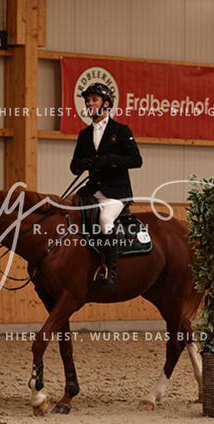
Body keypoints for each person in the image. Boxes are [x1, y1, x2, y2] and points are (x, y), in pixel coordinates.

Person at [69, 82, 143, 291]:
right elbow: (74, 166)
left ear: (106, 104)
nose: (90, 104)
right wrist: (84, 163)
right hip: (92, 190)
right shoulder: (84, 134)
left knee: (105, 220)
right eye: (88, 101)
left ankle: (111, 272)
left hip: (116, 193)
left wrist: (110, 160)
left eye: (94, 100)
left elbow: (136, 160)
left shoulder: (120, 130)